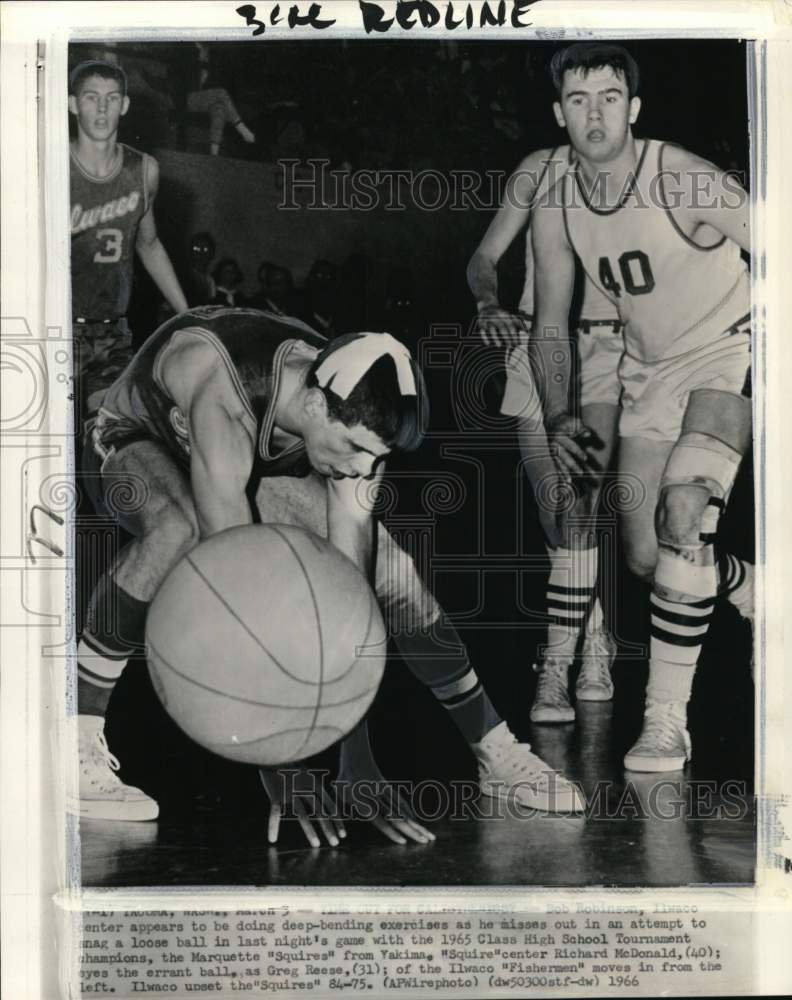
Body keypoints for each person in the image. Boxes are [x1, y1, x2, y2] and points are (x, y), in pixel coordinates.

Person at [73, 306, 586, 837]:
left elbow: (349, 598)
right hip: (134, 436)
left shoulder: (352, 411)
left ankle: (495, 748)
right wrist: (278, 760)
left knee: (392, 570)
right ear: (315, 405)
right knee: (178, 527)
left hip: (240, 459)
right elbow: (237, 587)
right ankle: (75, 735)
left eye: (377, 458)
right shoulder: (223, 385)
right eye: (356, 449)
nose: (363, 470)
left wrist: (354, 761)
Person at [530, 42, 753, 770]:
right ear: (558, 112)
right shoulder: (558, 199)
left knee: (685, 509)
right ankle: (748, 587)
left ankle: (665, 724)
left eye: (608, 97)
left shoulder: (679, 176)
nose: (594, 114)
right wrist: (561, 413)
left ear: (634, 107)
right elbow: (550, 323)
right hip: (647, 371)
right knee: (647, 557)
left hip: (728, 350)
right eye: (578, 100)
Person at [468, 142, 622, 724]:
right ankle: (596, 630)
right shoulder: (539, 168)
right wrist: (488, 301)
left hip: (607, 346)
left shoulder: (644, 172)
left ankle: (561, 664)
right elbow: (483, 256)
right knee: (553, 510)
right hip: (535, 343)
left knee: (580, 506)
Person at [69, 60, 188, 420]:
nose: (102, 108)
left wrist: (187, 313)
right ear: (73, 104)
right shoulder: (51, 164)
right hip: (56, 329)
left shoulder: (144, 169)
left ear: (125, 105)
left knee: (113, 435)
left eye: (111, 98)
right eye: (91, 97)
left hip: (112, 333)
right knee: (56, 441)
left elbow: (148, 244)